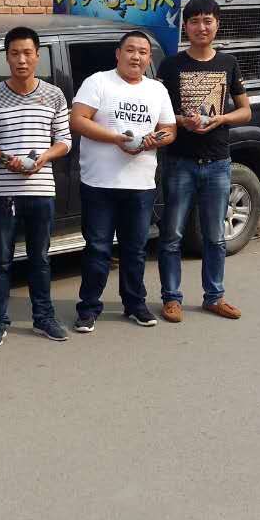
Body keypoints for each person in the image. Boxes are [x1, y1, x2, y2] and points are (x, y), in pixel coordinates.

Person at [70, 31, 176, 331]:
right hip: (99, 183)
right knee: (97, 249)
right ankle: (88, 307)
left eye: (143, 52)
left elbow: (169, 130)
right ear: (118, 54)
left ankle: (135, 304)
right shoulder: (98, 82)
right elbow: (78, 119)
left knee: (135, 249)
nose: (136, 56)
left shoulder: (157, 89)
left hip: (140, 184)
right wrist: (116, 139)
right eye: (130, 50)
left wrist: (153, 140)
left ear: (149, 58)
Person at [157, 0, 252, 322]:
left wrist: (221, 118)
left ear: (217, 25)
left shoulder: (229, 63)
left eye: (207, 21)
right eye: (195, 21)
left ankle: (215, 296)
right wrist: (182, 121)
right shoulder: (170, 65)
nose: (201, 27)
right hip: (179, 162)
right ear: (185, 26)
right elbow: (158, 113)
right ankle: (171, 298)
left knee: (215, 236)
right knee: (172, 235)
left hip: (217, 163)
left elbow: (245, 111)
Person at [0, 27, 72, 347]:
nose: (21, 60)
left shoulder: (54, 95)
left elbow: (65, 141)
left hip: (42, 190)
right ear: (6, 57)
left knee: (40, 258)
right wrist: (7, 159)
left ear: (37, 56)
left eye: (27, 53)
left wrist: (44, 158)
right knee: (1, 260)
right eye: (15, 53)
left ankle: (44, 318)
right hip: (4, 193)